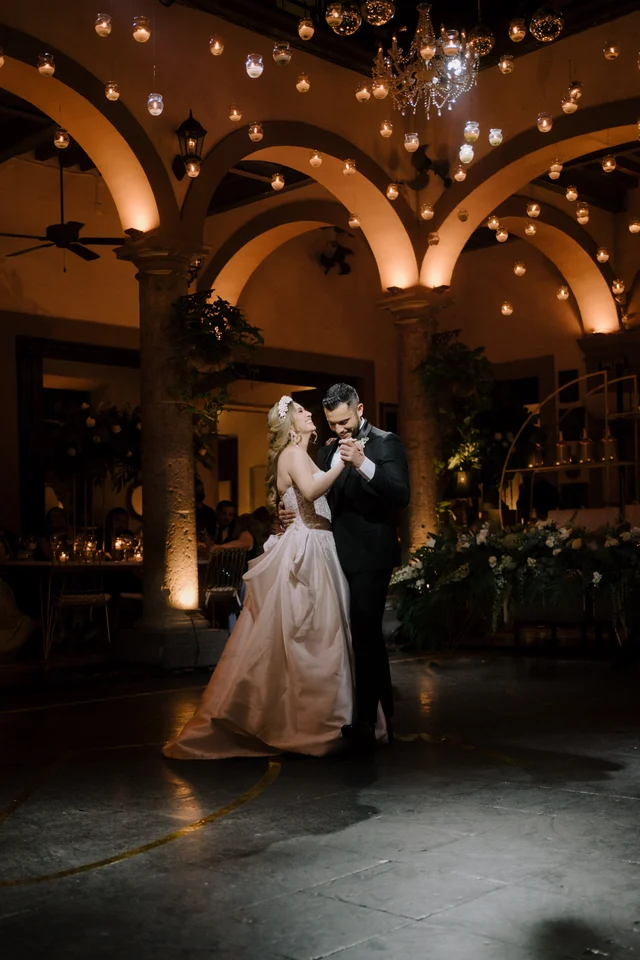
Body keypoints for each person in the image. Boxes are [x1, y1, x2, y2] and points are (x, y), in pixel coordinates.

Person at [162, 396, 356, 759]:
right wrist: (345, 462)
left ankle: (321, 715)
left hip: (318, 541)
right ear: (289, 424)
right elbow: (313, 492)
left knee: (317, 633)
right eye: (300, 411)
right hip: (310, 547)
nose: (308, 413)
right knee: (311, 632)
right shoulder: (294, 455)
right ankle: (313, 721)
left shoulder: (302, 455)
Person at [282, 383, 410, 750]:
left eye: (344, 421)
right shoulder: (325, 451)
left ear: (360, 409)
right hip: (334, 555)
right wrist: (285, 515)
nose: (340, 430)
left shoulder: (387, 442)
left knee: (366, 632)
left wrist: (363, 464)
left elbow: (401, 495)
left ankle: (370, 721)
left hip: (372, 554)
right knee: (355, 636)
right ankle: (378, 714)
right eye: (332, 423)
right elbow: (311, 493)